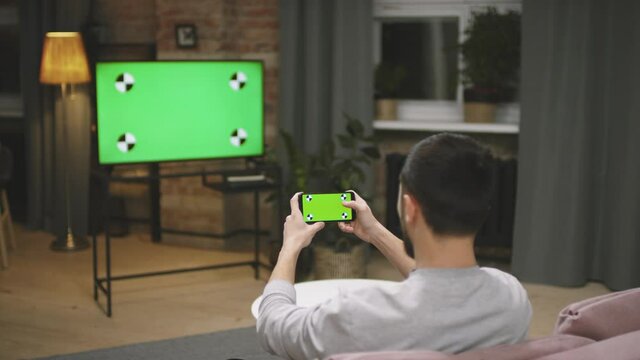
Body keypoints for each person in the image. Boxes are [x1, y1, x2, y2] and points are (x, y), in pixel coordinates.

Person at [257, 133, 532, 360]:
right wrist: (375, 232)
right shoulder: (512, 298)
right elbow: (443, 282)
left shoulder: (362, 313)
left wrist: (290, 246)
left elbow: (274, 325)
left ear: (410, 208)